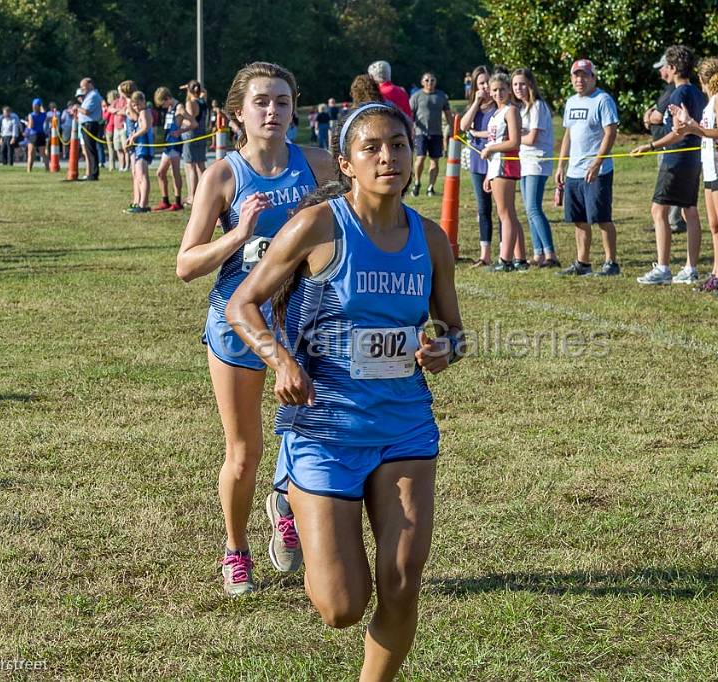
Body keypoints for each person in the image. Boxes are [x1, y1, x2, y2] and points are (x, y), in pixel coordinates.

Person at [223, 101, 462, 681]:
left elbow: (454, 331)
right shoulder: (319, 227)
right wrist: (280, 359)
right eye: (372, 148)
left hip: (403, 425)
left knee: (402, 584)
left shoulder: (429, 238)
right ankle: (289, 488)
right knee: (341, 607)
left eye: (399, 145)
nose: (388, 157)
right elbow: (241, 304)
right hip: (323, 428)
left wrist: (443, 349)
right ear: (347, 164)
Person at [174, 62, 335, 596]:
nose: (273, 111)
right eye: (262, 102)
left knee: (310, 432)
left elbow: (348, 228)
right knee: (244, 453)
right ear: (237, 113)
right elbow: (186, 263)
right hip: (238, 322)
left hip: (305, 319)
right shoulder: (223, 175)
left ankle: (284, 501)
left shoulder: (318, 165)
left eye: (283, 102)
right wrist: (239, 233)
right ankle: (236, 547)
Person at [632, 45, 707, 285]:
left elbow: (678, 132)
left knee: (658, 210)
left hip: (676, 158)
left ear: (673, 68)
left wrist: (651, 146)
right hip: (693, 159)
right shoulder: (697, 92)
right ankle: (690, 268)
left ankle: (663, 267)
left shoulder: (678, 94)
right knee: (689, 211)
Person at [672, 58, 718, 295]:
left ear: (705, 78)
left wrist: (693, 127)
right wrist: (688, 125)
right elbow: (706, 130)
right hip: (712, 167)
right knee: (715, 226)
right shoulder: (711, 102)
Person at [554, 58, 620, 277]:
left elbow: (610, 132)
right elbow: (568, 134)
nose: (579, 79)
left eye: (584, 75)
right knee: (579, 219)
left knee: (601, 218)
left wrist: (598, 161)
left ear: (593, 77)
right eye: (576, 75)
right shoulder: (571, 102)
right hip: (574, 171)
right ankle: (583, 262)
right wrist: (561, 164)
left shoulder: (602, 100)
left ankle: (611, 262)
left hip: (597, 171)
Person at [481, 72, 527, 271]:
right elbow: (494, 140)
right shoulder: (495, 113)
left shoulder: (511, 111)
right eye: (494, 90)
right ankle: (519, 258)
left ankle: (505, 260)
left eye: (502, 89)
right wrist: (488, 174)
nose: (498, 93)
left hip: (505, 164)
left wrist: (491, 149)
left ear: (509, 90)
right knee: (508, 213)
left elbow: (514, 141)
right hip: (495, 166)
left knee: (505, 213)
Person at [513, 67, 558, 267]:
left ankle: (550, 254)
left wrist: (513, 139)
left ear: (530, 84)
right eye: (515, 84)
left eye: (522, 83)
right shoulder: (522, 109)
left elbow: (532, 138)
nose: (518, 88)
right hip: (524, 162)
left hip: (537, 162)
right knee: (528, 209)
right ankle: (538, 253)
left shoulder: (538, 106)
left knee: (533, 208)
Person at [459, 65, 498, 267]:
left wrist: (477, 134)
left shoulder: (500, 107)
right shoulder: (475, 107)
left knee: (500, 209)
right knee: (483, 209)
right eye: (480, 83)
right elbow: (463, 126)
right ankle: (485, 254)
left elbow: (496, 133)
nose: (484, 87)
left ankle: (505, 253)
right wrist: (476, 102)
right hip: (477, 162)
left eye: (487, 82)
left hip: (496, 162)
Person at [644, 55, 687, 234]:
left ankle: (672, 221)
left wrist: (650, 116)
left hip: (670, 146)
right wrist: (650, 114)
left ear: (672, 68)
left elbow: (659, 116)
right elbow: (655, 112)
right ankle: (667, 221)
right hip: (663, 144)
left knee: (669, 189)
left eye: (663, 67)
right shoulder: (669, 90)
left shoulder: (676, 92)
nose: (661, 71)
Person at [409, 72, 452, 196]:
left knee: (435, 161)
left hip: (436, 133)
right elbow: (409, 113)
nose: (430, 82)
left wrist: (453, 128)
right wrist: (410, 128)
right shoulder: (416, 96)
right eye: (427, 80)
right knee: (420, 158)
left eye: (432, 80)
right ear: (422, 82)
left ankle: (430, 187)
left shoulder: (441, 96)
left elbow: (448, 113)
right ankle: (417, 183)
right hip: (420, 132)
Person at [153, 86, 189, 211]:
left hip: (175, 144)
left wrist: (180, 131)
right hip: (168, 144)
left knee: (174, 172)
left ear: (168, 98)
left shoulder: (179, 108)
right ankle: (165, 201)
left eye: (163, 103)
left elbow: (193, 123)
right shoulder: (169, 107)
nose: (162, 107)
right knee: (160, 173)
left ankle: (178, 202)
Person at [181, 80, 210, 206]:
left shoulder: (191, 103)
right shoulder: (203, 101)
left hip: (192, 136)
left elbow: (191, 121)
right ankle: (205, 193)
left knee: (190, 166)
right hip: (202, 134)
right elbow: (204, 92)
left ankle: (192, 196)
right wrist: (189, 87)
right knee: (201, 166)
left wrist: (182, 123)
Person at [124, 91, 153, 213]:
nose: (136, 108)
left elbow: (145, 128)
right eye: (134, 106)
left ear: (142, 101)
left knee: (142, 176)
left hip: (144, 147)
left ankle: (143, 204)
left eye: (137, 104)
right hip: (138, 147)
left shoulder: (144, 112)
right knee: (139, 175)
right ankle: (140, 201)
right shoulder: (140, 112)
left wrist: (133, 137)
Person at [77, 77, 104, 181]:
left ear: (90, 84)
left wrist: (77, 107)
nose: (82, 89)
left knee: (91, 150)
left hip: (90, 124)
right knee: (88, 150)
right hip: (86, 124)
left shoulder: (93, 96)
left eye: (83, 86)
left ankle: (93, 173)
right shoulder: (89, 96)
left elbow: (87, 111)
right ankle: (91, 173)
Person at [112, 81, 134, 172]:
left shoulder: (129, 100)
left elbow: (126, 112)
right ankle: (121, 165)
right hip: (116, 128)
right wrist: (118, 111)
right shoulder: (116, 101)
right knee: (118, 148)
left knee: (126, 148)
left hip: (125, 127)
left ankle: (128, 166)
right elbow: (110, 109)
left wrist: (117, 111)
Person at [26, 98, 48, 172]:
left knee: (31, 154)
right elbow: (44, 112)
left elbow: (31, 126)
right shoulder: (43, 115)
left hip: (33, 135)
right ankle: (47, 169)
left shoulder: (31, 115)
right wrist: (41, 106)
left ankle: (29, 170)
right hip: (41, 134)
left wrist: (27, 125)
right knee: (43, 154)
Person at [103, 90, 118, 171]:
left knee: (110, 149)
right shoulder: (118, 105)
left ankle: (112, 166)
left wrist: (104, 110)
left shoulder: (110, 107)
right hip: (116, 127)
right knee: (117, 148)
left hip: (109, 128)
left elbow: (105, 117)